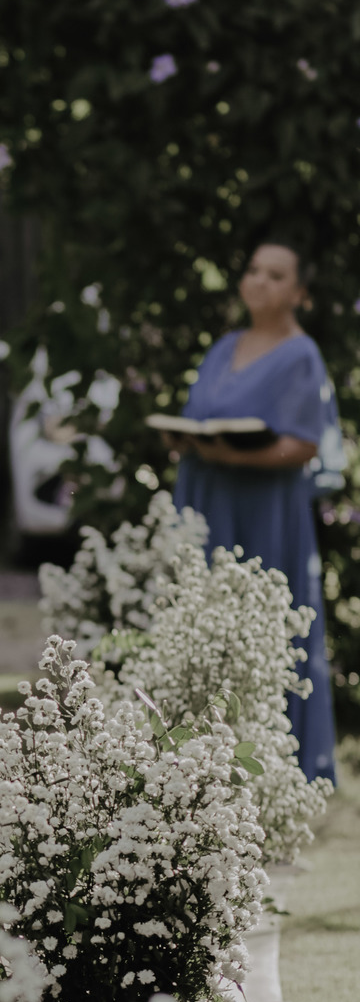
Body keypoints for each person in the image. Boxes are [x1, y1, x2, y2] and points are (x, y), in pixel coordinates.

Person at [171, 239, 341, 782]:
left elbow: (306, 445)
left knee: (267, 631)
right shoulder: (224, 347)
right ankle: (197, 761)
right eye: (253, 270)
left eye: (276, 274)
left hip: (265, 510)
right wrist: (188, 441)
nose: (260, 281)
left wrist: (234, 455)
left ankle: (274, 766)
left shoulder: (302, 354)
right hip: (209, 498)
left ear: (300, 293)